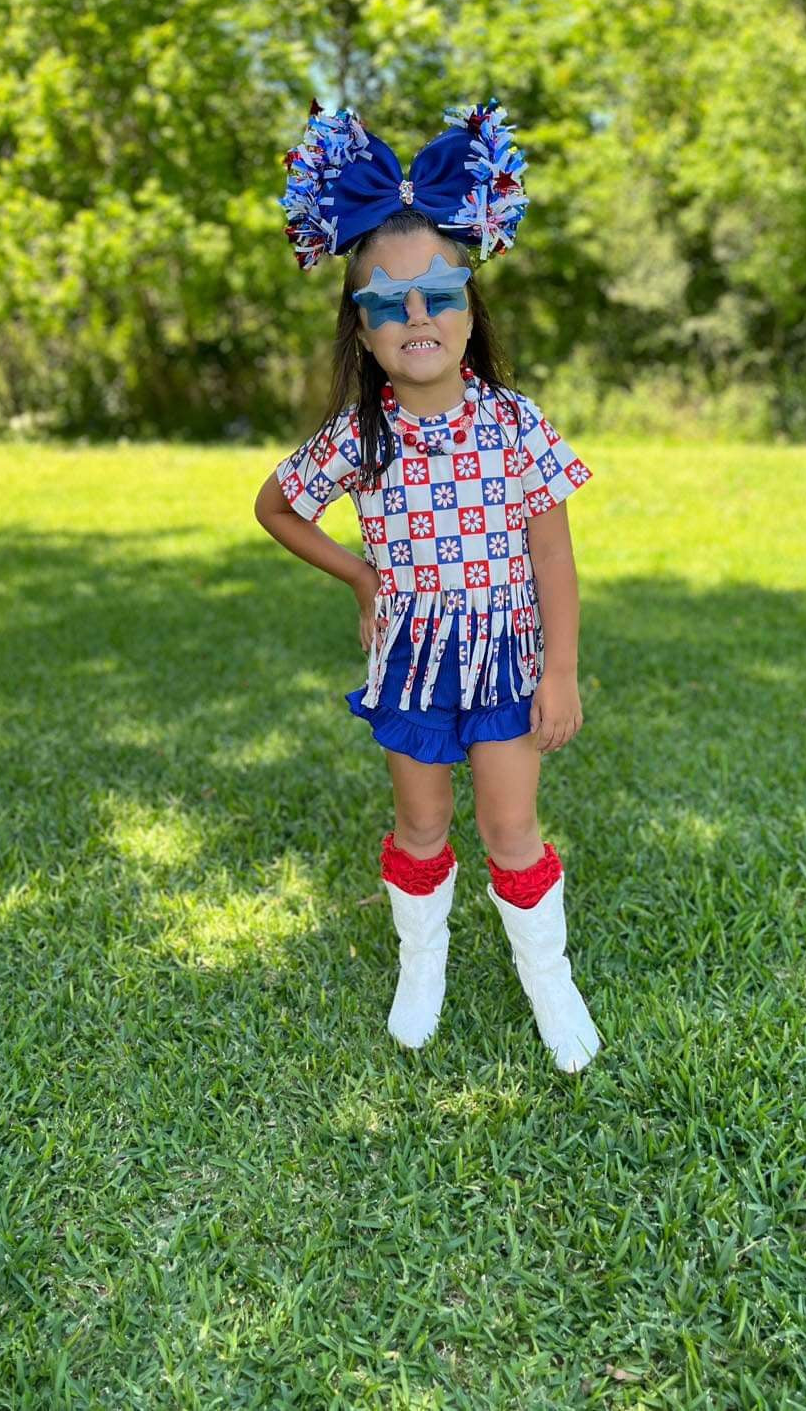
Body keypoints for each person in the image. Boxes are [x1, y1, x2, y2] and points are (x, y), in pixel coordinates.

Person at [254, 98, 601, 1072]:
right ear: (360, 329)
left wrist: (562, 670)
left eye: (440, 293)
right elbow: (277, 506)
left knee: (510, 822)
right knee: (422, 819)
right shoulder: (359, 438)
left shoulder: (514, 423)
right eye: (388, 302)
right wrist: (359, 570)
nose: (417, 316)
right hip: (411, 661)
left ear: (468, 308)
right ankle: (424, 958)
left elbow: (553, 555)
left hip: (507, 660)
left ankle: (548, 974)